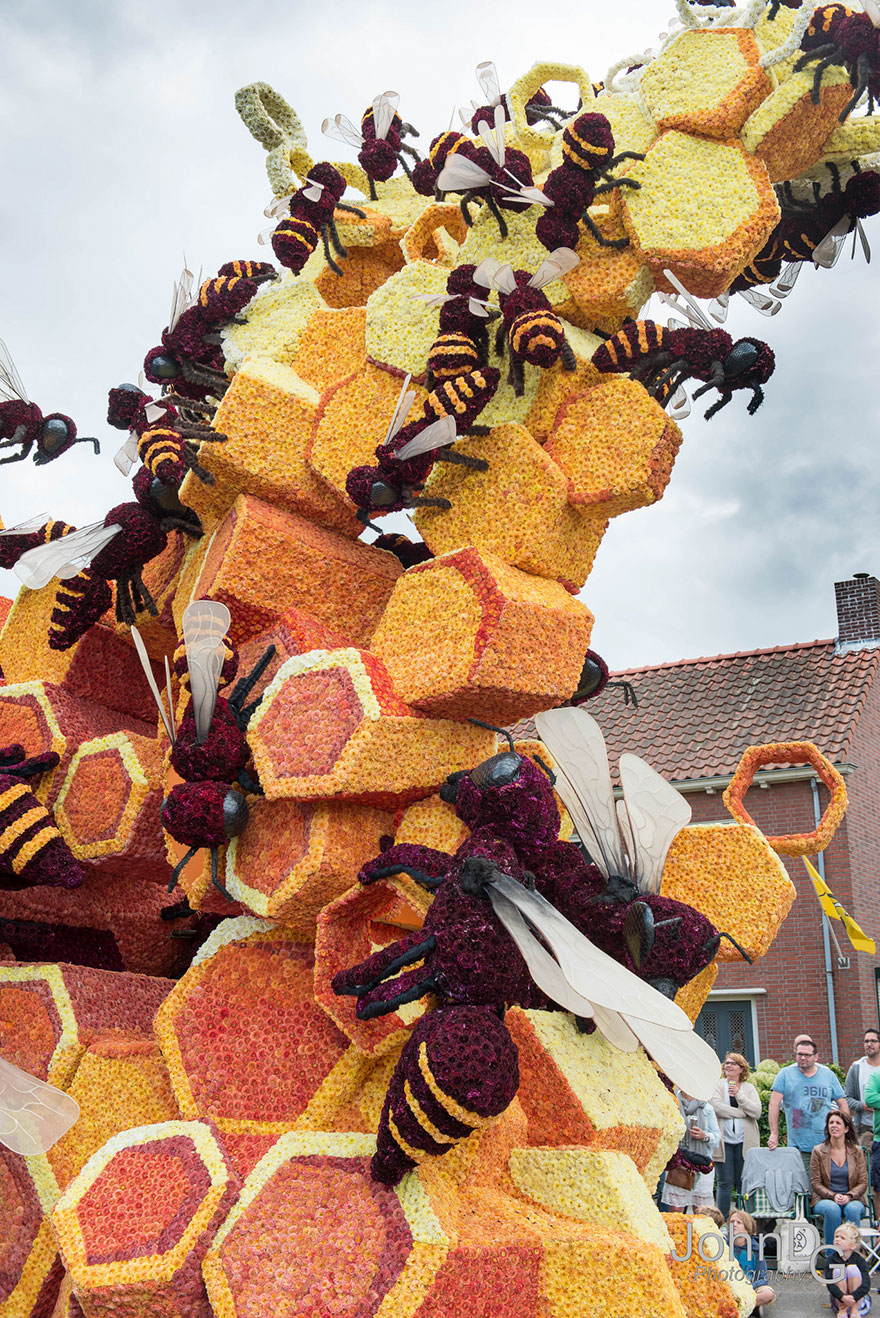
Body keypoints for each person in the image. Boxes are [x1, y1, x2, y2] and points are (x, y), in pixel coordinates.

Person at [768, 1037, 849, 1183]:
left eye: (807, 1055)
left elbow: (842, 1104)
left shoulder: (827, 1075)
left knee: (828, 1184)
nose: (802, 1058)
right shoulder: (785, 1074)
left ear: (816, 1057)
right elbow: (774, 1104)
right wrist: (774, 1133)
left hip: (827, 1143)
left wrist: (844, 1131)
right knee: (803, 1186)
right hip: (799, 1145)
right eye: (799, 1054)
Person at [711, 1052, 762, 1218]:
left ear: (741, 1069)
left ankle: (742, 1220)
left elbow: (756, 1112)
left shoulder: (748, 1088)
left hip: (744, 1142)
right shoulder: (718, 1086)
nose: (728, 1066)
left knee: (743, 1183)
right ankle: (724, 1220)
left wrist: (739, 1095)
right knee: (725, 1183)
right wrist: (741, 1113)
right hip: (724, 1142)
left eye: (733, 1063)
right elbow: (717, 1107)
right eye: (726, 1063)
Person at [810, 1109, 868, 1245]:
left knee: (852, 1209)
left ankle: (851, 1253)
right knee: (832, 1209)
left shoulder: (857, 1151)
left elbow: (863, 1182)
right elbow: (815, 1182)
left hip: (853, 1198)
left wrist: (849, 1195)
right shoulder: (818, 1151)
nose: (833, 1126)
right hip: (825, 1198)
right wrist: (833, 1196)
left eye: (838, 1123)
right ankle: (832, 1255)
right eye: (831, 1123)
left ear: (846, 1128)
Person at [661, 1089, 721, 1213]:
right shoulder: (672, 1105)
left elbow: (717, 1138)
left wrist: (704, 1135)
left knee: (701, 1209)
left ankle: (698, 1233)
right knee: (676, 1208)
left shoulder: (706, 1108)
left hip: (701, 1163)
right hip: (679, 1162)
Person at [728, 1209, 776, 1313]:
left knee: (768, 1293)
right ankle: (749, 1308)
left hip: (750, 1288)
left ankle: (742, 1308)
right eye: (732, 1222)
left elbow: (763, 1278)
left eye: (738, 1222)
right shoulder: (723, 1246)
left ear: (747, 1230)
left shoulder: (756, 1250)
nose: (734, 1225)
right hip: (729, 1289)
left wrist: (749, 1287)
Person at [821, 1221, 872, 1314]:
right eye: (836, 1237)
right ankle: (842, 1310)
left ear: (853, 1245)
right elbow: (830, 1285)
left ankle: (854, 1309)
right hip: (840, 1301)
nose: (838, 1239)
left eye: (842, 1238)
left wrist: (853, 1297)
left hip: (857, 1300)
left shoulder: (860, 1260)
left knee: (852, 1269)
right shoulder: (831, 1260)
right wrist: (843, 1297)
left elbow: (866, 1284)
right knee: (838, 1270)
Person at [844, 1030, 880, 1153]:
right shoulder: (857, 1067)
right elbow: (847, 1098)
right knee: (867, 1166)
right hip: (865, 1126)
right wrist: (863, 1106)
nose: (869, 1044)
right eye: (866, 1041)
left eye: (873, 1041)